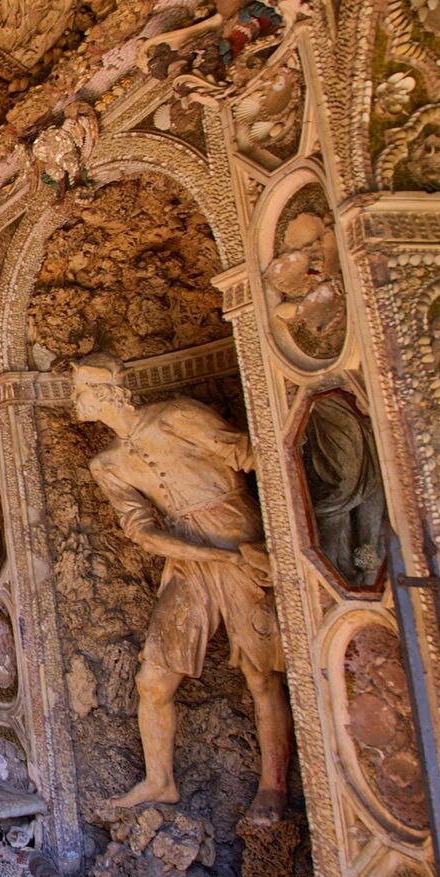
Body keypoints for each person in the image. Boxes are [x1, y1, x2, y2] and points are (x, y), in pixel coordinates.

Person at [71, 352, 292, 822]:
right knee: (152, 680)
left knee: (261, 674)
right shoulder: (107, 463)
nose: (74, 399)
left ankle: (273, 785)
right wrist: (214, 556)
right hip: (191, 560)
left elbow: (254, 456)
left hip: (241, 539)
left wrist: (280, 537)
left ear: (106, 391)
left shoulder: (175, 415)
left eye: (81, 390)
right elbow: (142, 530)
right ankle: (160, 781)